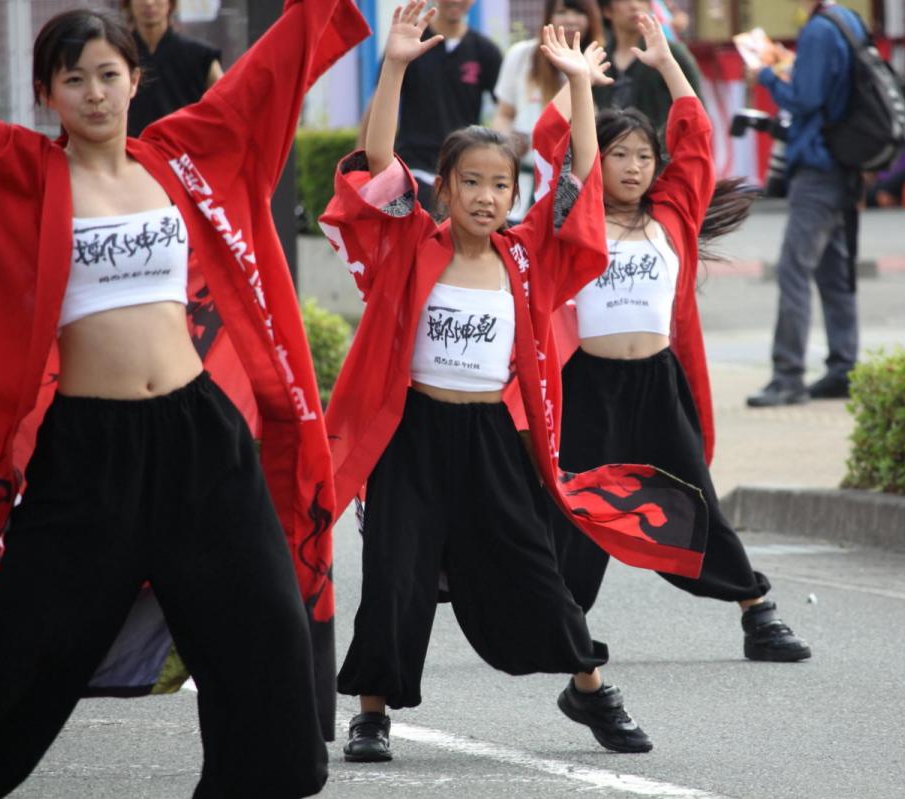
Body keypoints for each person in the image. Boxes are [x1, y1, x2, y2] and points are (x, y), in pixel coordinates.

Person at [0, 2, 368, 797]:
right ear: (46, 93)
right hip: (89, 458)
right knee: (20, 649)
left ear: (137, 80)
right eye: (74, 79)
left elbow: (266, 76)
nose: (94, 93)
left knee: (265, 640)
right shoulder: (21, 174)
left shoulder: (178, 158)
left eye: (109, 74)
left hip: (200, 439)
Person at [319, 4, 709, 764]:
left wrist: (580, 87)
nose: (485, 197)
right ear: (443, 190)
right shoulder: (409, 244)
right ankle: (372, 713)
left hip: (491, 440)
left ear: (511, 195)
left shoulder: (528, 258)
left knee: (533, 567)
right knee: (395, 574)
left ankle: (590, 687)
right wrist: (393, 66)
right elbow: (377, 162)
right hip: (412, 437)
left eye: (499, 185)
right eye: (469, 182)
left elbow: (580, 183)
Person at [535, 14, 811, 662]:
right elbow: (553, 142)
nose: (633, 166)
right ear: (599, 161)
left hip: (658, 383)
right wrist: (577, 83)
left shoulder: (673, 215)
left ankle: (756, 611)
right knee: (578, 504)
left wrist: (666, 63)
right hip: (589, 385)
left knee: (693, 498)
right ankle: (562, 624)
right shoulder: (577, 216)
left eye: (644, 156)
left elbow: (697, 138)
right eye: (619, 155)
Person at [745, 0, 867, 407]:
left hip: (817, 167)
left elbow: (804, 99)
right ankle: (843, 368)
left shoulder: (819, 29)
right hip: (844, 163)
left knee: (794, 270)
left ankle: (788, 377)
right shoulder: (848, 20)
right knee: (834, 272)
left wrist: (766, 74)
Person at [360, 0, 502, 211]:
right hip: (413, 167)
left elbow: (505, 110)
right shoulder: (410, 43)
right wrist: (362, 165)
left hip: (461, 170)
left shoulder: (486, 52)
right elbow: (379, 101)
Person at [492, 0, 604, 215]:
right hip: (522, 181)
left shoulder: (599, 63)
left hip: (576, 183)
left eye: (578, 12)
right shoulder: (522, 55)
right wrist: (507, 141)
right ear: (548, 17)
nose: (570, 20)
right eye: (562, 11)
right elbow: (504, 114)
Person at [593, 0, 704, 135]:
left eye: (642, 0)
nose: (634, 5)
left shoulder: (670, 55)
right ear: (607, 10)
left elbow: (696, 111)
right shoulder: (598, 58)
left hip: (659, 145)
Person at [122, 0, 223, 137]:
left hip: (184, 146)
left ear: (171, 3)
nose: (149, 2)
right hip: (129, 146)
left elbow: (224, 105)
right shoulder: (118, 55)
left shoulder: (200, 56)